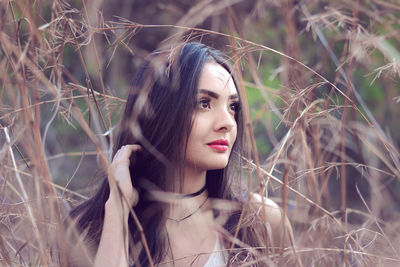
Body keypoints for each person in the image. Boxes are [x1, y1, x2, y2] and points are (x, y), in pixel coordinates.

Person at [70, 42, 293, 267]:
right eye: (204, 103)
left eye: (233, 107)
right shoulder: (88, 228)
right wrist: (117, 209)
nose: (227, 123)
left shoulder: (259, 221)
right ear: (159, 113)